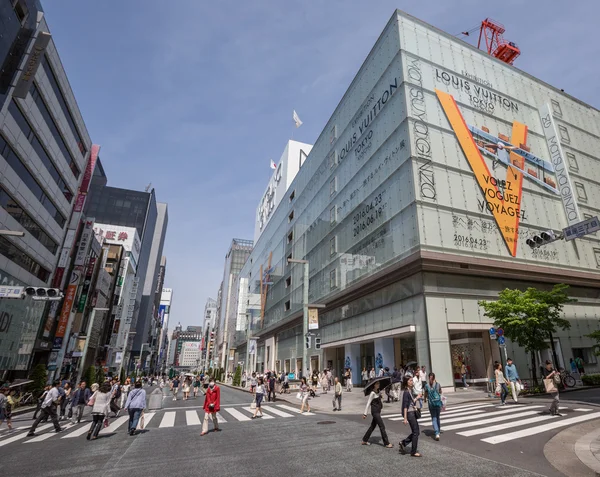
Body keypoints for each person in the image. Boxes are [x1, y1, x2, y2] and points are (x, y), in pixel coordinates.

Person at [362, 380, 392, 448]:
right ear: (374, 385)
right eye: (377, 383)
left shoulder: (378, 392)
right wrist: (365, 414)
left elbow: (379, 400)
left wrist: (381, 396)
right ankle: (386, 443)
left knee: (372, 426)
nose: (379, 384)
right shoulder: (372, 393)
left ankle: (365, 440)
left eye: (379, 383)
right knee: (382, 426)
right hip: (375, 412)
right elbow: (368, 403)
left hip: (378, 411)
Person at [399, 375, 421, 457]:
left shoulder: (409, 390)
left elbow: (410, 402)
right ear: (407, 382)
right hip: (409, 414)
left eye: (412, 380)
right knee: (416, 432)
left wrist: (417, 398)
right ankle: (413, 451)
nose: (412, 382)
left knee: (416, 432)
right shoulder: (406, 392)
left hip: (411, 412)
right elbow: (405, 406)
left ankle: (403, 443)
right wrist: (405, 418)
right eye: (410, 380)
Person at [424, 372, 443, 441]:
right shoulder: (438, 385)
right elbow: (441, 392)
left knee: (434, 418)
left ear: (429, 378)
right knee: (438, 417)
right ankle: (438, 430)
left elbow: (425, 394)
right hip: (438, 403)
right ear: (434, 378)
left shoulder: (427, 385)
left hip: (431, 404)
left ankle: (436, 432)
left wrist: (425, 399)